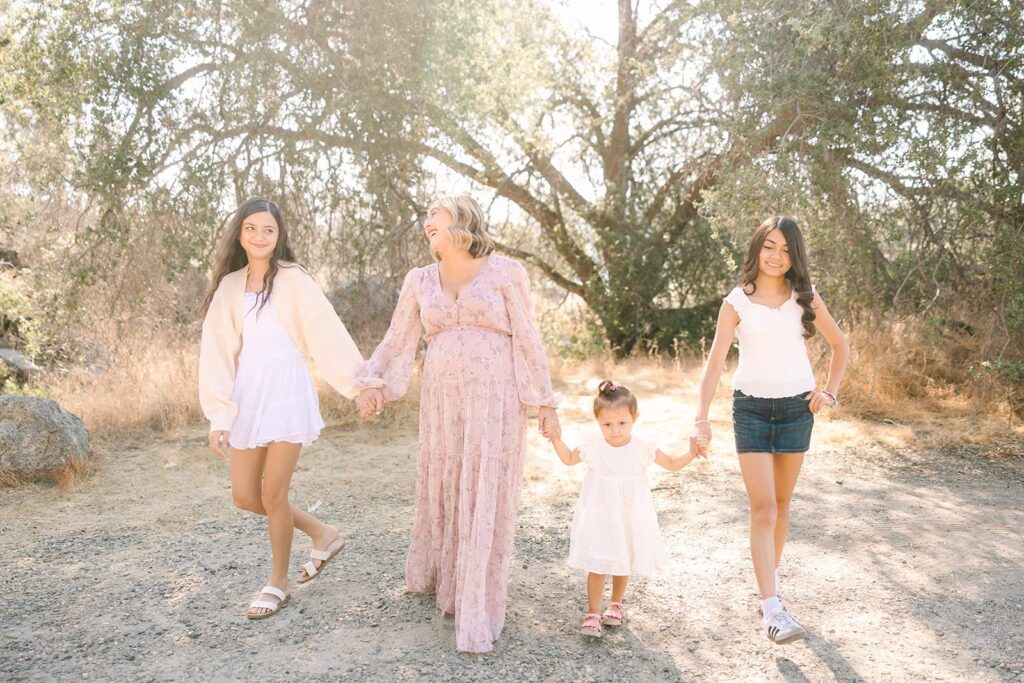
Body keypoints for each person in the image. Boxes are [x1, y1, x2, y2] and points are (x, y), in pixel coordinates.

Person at [354, 194, 561, 653]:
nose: (427, 221)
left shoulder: (506, 272)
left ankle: (478, 601)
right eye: (426, 216)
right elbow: (398, 338)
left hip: (496, 398)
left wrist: (544, 401)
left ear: (462, 219)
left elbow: (528, 338)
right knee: (448, 483)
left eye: (435, 212)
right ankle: (445, 579)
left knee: (483, 485)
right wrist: (373, 382)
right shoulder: (419, 280)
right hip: (443, 401)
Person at [199, 197, 363, 619]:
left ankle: (278, 582)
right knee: (245, 496)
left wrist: (357, 383)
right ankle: (322, 532)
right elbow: (216, 352)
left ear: (278, 236)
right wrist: (219, 415)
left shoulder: (293, 279)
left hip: (288, 393)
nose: (259, 236)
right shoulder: (230, 287)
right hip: (248, 396)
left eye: (268, 230)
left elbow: (326, 333)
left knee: (274, 493)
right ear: (240, 233)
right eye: (251, 228)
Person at [692, 215, 849, 643]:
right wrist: (701, 417)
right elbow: (713, 363)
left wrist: (829, 392)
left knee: (781, 503)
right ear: (757, 248)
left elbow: (841, 346)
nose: (775, 256)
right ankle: (773, 608)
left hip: (798, 409)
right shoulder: (735, 302)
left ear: (793, 255)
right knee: (762, 508)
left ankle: (769, 588)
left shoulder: (806, 297)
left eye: (784, 249)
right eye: (769, 246)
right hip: (752, 411)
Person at [548, 380, 706, 638]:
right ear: (597, 422)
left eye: (622, 423)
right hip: (600, 514)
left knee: (624, 559)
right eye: (607, 425)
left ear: (635, 418)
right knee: (598, 563)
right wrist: (555, 438)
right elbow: (568, 459)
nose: (615, 430)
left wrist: (692, 452)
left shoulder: (643, 446)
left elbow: (673, 464)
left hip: (628, 514)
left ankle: (615, 604)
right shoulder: (593, 445)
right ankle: (592, 613)